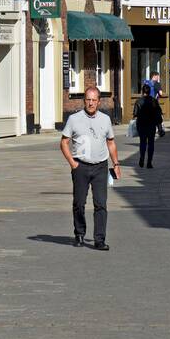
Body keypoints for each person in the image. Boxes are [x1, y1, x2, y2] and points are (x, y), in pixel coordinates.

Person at [60, 86, 120, 251]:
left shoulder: (105, 119)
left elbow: (111, 142)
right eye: (88, 100)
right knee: (79, 203)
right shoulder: (74, 119)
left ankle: (99, 239)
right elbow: (64, 142)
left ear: (99, 102)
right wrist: (72, 163)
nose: (91, 103)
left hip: (100, 166)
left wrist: (116, 164)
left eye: (94, 100)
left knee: (101, 204)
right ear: (84, 100)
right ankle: (79, 233)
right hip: (81, 166)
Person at [134, 81, 163, 168]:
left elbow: (135, 113)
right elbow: (158, 113)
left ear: (143, 91)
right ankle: (149, 162)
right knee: (151, 143)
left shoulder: (138, 101)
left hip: (142, 124)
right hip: (151, 125)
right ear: (150, 91)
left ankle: (142, 158)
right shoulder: (154, 101)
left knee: (142, 142)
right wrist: (159, 127)